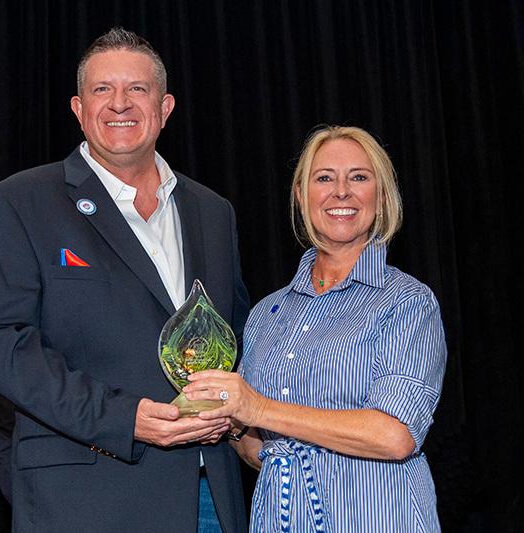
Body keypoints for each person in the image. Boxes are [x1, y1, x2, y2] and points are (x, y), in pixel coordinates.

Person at [0, 27, 250, 533]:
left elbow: (238, 335)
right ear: (78, 107)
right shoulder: (18, 203)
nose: (120, 104)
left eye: (137, 89)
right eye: (102, 89)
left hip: (209, 495)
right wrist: (122, 420)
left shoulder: (213, 212)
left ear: (165, 107)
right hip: (86, 499)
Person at [183, 125, 447, 532]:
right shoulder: (268, 313)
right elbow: (262, 449)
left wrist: (258, 408)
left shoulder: (407, 302)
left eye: (359, 177)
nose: (341, 191)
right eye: (324, 178)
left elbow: (395, 436)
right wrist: (230, 427)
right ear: (301, 195)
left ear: (381, 196)